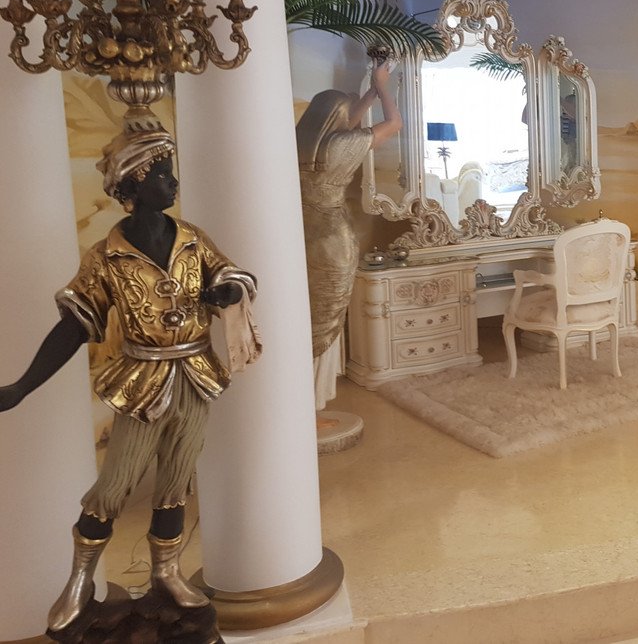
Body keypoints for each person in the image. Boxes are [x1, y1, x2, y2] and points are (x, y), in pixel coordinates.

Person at [0, 115, 260, 632]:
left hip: (196, 376)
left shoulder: (192, 239)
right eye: (163, 174)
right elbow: (73, 327)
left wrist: (230, 290)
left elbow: (232, 274)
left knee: (177, 482)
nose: (174, 182)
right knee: (113, 486)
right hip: (143, 384)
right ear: (135, 183)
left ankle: (167, 573)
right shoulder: (107, 259)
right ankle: (79, 583)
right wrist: (23, 386)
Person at [296, 63, 403, 408]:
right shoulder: (340, 145)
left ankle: (303, 400)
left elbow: (345, 124)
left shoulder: (300, 142)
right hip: (333, 241)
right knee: (328, 315)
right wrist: (383, 87)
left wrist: (370, 91)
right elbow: (394, 124)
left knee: (310, 314)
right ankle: (314, 403)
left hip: (303, 239)